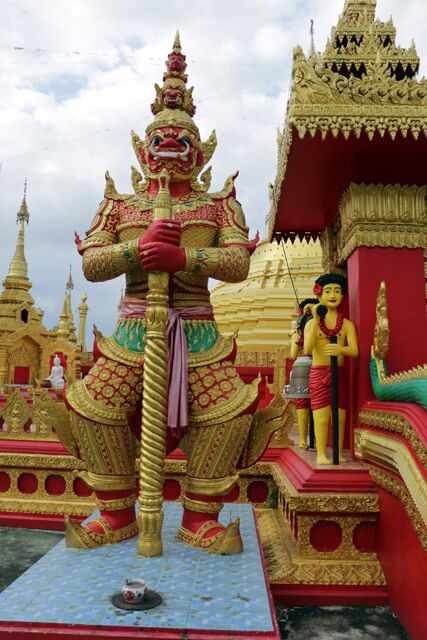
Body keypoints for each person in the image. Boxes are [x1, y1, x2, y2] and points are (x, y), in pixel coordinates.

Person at [60, 33, 286, 553]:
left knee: (229, 412)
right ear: (143, 147)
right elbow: (93, 262)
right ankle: (116, 514)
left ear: (200, 149)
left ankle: (199, 517)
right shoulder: (118, 205)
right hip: (134, 330)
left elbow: (236, 262)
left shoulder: (219, 205)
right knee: (93, 409)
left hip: (198, 330)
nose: (168, 143)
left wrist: (184, 258)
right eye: (159, 136)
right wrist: (135, 253)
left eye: (180, 137)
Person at [304, 274, 358, 464]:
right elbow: (307, 349)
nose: (332, 295)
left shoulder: (347, 325)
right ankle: (320, 453)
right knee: (321, 417)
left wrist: (340, 349)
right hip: (319, 373)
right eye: (327, 291)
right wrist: (316, 319)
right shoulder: (311, 324)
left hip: (339, 373)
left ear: (342, 295)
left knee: (340, 417)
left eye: (336, 291)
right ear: (319, 295)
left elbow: (354, 350)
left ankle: (339, 452)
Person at [289, 298, 318, 448]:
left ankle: (306, 439)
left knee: (313, 404)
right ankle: (306, 439)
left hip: (311, 365)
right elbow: (294, 354)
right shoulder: (301, 333)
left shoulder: (317, 330)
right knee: (307, 404)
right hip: (310, 365)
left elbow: (293, 354)